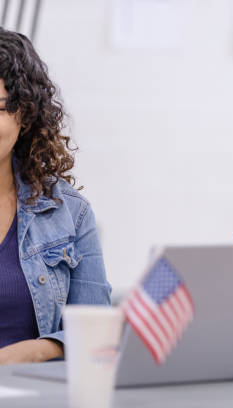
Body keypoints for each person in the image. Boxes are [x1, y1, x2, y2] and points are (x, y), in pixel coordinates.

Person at [0, 28, 111, 363]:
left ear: (26, 115)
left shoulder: (70, 213)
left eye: (0, 108)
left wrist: (29, 352)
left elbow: (98, 330)